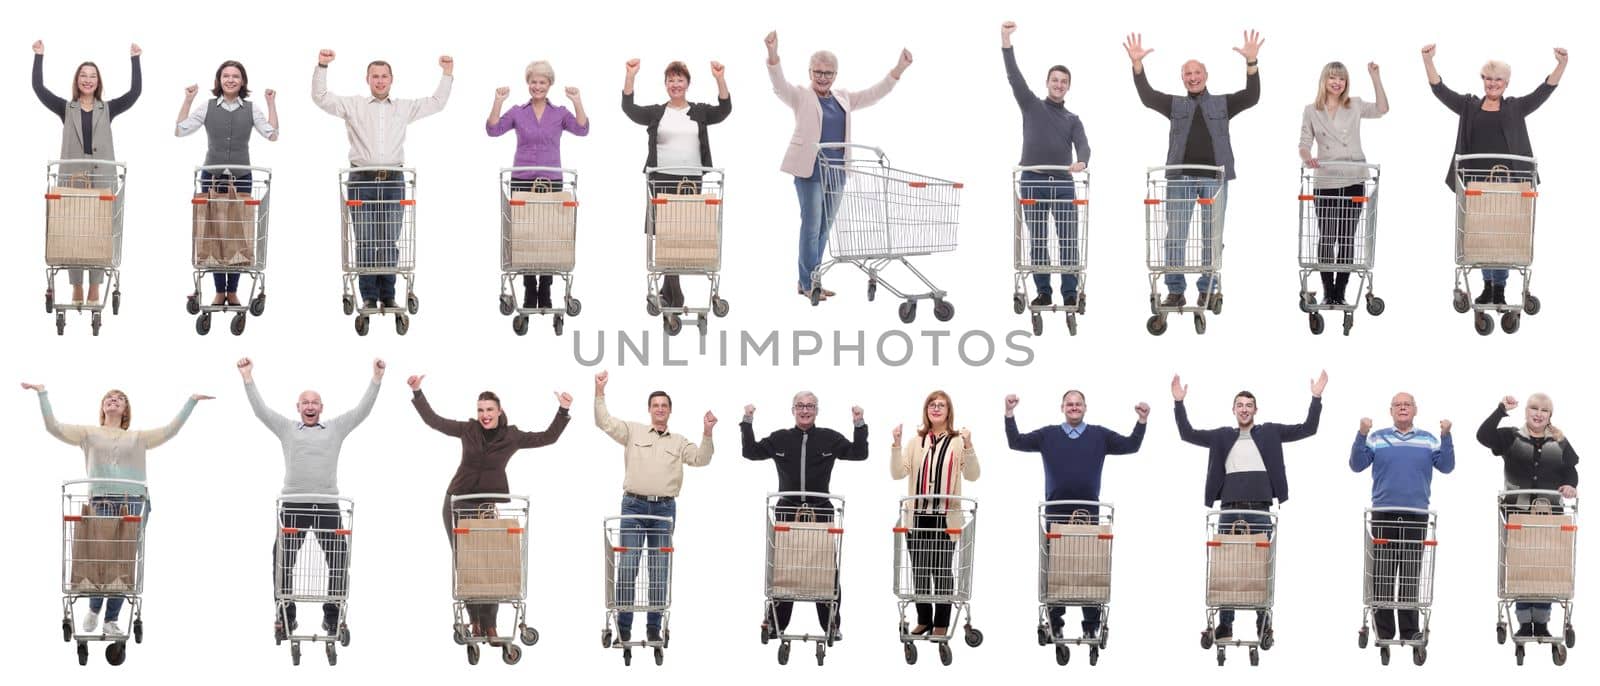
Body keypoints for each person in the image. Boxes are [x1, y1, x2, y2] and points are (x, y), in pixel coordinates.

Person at [22, 382, 210, 637]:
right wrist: (42, 393)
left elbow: (170, 430)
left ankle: (111, 619)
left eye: (120, 398)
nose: (114, 399)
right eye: (109, 397)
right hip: (101, 500)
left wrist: (192, 400)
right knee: (102, 557)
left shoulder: (139, 437)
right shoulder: (87, 433)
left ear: (125, 410)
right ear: (103, 407)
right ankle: (95, 607)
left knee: (121, 560)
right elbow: (53, 427)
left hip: (132, 499)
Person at [407, 374, 571, 640]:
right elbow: (434, 421)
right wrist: (417, 392)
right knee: (469, 564)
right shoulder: (468, 430)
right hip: (457, 503)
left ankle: (491, 624)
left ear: (499, 411)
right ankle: (475, 622)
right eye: (481, 410)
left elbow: (548, 437)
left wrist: (563, 410)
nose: (485, 415)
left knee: (492, 563)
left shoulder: (511, 435)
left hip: (485, 507)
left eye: (489, 410)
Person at [1173, 370, 1325, 641]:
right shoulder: (1221, 436)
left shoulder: (1270, 432)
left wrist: (1316, 397)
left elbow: (1308, 428)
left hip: (1260, 510)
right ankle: (1226, 625)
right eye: (1240, 405)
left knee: (1260, 567)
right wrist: (1178, 403)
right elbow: (1187, 433)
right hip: (1229, 509)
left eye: (1249, 405)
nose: (1244, 409)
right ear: (1233, 410)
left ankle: (1262, 622)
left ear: (1256, 409)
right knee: (1227, 567)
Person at [238, 356, 384, 638]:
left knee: (339, 556)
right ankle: (285, 615)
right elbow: (261, 411)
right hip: (294, 503)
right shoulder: (287, 428)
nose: (309, 406)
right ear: (298, 408)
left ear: (321, 408)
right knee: (282, 559)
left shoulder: (336, 428)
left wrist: (376, 378)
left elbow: (362, 411)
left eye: (314, 402)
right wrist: (248, 377)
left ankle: (332, 616)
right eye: (305, 402)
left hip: (327, 504)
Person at [765, 30, 912, 299]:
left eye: (828, 73)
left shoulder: (843, 98)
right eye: (818, 72)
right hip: (809, 171)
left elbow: (874, 93)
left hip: (837, 173)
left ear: (836, 75)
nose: (822, 77)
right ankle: (808, 283)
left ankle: (812, 279)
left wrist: (898, 69)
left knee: (824, 229)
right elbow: (779, 85)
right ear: (810, 72)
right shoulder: (801, 96)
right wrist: (773, 54)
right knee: (811, 227)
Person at [1124, 31, 1263, 308]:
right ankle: (1175, 290)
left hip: (1216, 179)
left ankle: (1207, 287)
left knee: (1212, 238)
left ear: (1206, 75)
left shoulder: (1222, 103)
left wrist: (1251, 63)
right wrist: (1138, 67)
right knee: (1175, 235)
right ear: (1182, 78)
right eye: (1187, 73)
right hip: (1180, 178)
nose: (1192, 77)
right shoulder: (1175, 104)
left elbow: (1251, 96)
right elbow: (1148, 97)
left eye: (1197, 72)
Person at [1422, 45, 1568, 306]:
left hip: (1508, 184)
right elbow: (1439, 90)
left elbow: (1543, 91)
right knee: (1482, 235)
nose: (1492, 84)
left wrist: (1561, 64)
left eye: (1498, 79)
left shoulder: (1515, 107)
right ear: (1483, 80)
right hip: (1476, 184)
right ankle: (1488, 287)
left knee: (1503, 235)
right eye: (1488, 79)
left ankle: (1498, 289)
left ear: (1506, 83)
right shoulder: (1468, 106)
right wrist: (1428, 60)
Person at [312, 49, 453, 311]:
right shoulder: (353, 105)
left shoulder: (403, 107)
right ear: (368, 80)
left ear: (391, 79)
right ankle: (367, 296)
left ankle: (388, 294)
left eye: (384, 76)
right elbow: (320, 97)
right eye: (375, 76)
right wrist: (322, 66)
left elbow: (437, 102)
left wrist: (447, 73)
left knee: (390, 239)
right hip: (361, 180)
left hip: (393, 180)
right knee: (364, 239)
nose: (379, 81)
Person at [1004, 390, 1147, 639]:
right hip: (1056, 512)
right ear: (1062, 407)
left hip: (1087, 512)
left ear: (1085, 407)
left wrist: (1142, 421)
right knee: (1056, 567)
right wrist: (1009, 413)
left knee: (1088, 566)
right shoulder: (1048, 435)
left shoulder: (1099, 435)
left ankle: (1091, 624)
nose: (1073, 407)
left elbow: (1131, 445)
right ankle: (1055, 621)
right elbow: (1016, 441)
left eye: (1078, 404)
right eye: (1069, 404)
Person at [593, 371, 715, 645]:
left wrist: (707, 433)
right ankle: (623, 626)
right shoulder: (633, 431)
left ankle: (653, 627)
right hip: (634, 507)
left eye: (664, 405)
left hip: (663, 512)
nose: (660, 409)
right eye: (655, 405)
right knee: (628, 567)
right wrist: (600, 391)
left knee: (659, 569)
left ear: (670, 411)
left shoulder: (679, 441)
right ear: (649, 410)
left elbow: (701, 459)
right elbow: (604, 422)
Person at [742, 392, 868, 641]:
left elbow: (859, 453)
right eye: (800, 406)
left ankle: (831, 624)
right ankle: (776, 624)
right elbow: (751, 452)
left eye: (810, 406)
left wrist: (859, 423)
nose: (805, 410)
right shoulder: (780, 438)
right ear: (793, 410)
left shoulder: (829, 438)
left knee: (824, 569)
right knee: (784, 569)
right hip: (787, 510)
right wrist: (747, 421)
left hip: (820, 510)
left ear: (817, 410)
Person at [31, 40, 142, 306]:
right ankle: (77, 286)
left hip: (102, 176)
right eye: (84, 75)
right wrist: (39, 57)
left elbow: (135, 92)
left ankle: (95, 287)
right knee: (73, 228)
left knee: (99, 230)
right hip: (72, 177)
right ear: (77, 80)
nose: (88, 80)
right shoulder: (65, 108)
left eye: (93, 76)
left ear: (98, 81)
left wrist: (135, 59)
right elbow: (38, 88)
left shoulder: (109, 108)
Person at [621, 58, 729, 317]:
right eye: (671, 80)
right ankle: (674, 291)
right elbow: (629, 108)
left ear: (687, 84)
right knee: (666, 235)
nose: (675, 84)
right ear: (666, 85)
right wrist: (630, 76)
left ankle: (671, 292)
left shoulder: (699, 111)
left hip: (692, 179)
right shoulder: (657, 112)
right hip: (661, 178)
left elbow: (724, 110)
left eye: (680, 79)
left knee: (685, 234)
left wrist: (720, 79)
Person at [1350, 393, 1454, 642]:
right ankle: (1384, 632)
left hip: (1416, 514)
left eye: (1407, 404)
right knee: (1383, 572)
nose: (1403, 408)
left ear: (1415, 410)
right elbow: (1356, 464)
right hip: (1383, 512)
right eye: (1398, 405)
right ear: (1391, 411)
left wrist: (1446, 435)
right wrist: (1362, 433)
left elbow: (1447, 466)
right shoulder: (1377, 437)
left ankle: (1409, 630)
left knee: (1410, 572)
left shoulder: (1428, 439)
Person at [175, 60, 280, 306]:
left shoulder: (251, 109)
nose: (230, 80)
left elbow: (272, 134)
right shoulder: (208, 106)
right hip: (211, 177)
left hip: (242, 178)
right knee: (213, 234)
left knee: (237, 234)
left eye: (235, 76)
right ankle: (218, 290)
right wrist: (188, 100)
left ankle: (231, 291)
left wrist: (271, 104)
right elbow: (180, 130)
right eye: (226, 76)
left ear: (242, 81)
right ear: (219, 81)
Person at [1001, 21, 1090, 308]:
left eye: (1064, 81)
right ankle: (1044, 292)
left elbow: (1084, 145)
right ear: (1047, 82)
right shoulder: (1031, 105)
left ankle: (1068, 293)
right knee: (1038, 239)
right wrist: (1006, 40)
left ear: (1069, 86)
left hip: (1064, 184)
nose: (1059, 85)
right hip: (1032, 181)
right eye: (1055, 80)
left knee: (1068, 241)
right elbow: (1014, 76)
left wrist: (1082, 161)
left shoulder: (1073, 119)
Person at [487, 60, 589, 310]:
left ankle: (546, 289)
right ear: (528, 83)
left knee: (550, 237)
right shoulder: (517, 112)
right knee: (525, 236)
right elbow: (492, 130)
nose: (537, 86)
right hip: (522, 180)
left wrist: (577, 101)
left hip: (552, 182)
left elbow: (583, 129)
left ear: (549, 84)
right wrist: (498, 101)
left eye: (542, 82)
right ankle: (529, 289)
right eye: (533, 81)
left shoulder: (561, 113)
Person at [1476, 394, 1579, 638]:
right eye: (1534, 407)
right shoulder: (1511, 437)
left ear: (1549, 415)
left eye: (1544, 410)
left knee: (1544, 567)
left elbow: (1570, 470)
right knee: (1522, 566)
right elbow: (1483, 435)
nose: (1539, 413)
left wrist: (1569, 485)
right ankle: (1524, 622)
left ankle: (1541, 622)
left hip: (1550, 515)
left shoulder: (1559, 441)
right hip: (1517, 515)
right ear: (1526, 411)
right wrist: (1501, 410)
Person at [889, 391, 979, 638]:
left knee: (940, 570)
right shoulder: (915, 441)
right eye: (932, 404)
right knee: (919, 570)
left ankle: (941, 622)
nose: (936, 408)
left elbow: (972, 475)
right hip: (916, 516)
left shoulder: (958, 441)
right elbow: (898, 473)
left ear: (949, 411)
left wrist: (970, 446)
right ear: (926, 409)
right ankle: (923, 620)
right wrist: (896, 444)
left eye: (942, 405)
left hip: (945, 517)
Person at [1299, 61, 1388, 305]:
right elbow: (1304, 142)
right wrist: (1308, 157)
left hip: (1353, 177)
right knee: (1327, 236)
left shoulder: (1355, 105)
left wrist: (1375, 77)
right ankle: (1328, 291)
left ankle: (1341, 293)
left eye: (1342, 79)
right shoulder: (1311, 110)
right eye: (1332, 78)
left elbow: (1382, 108)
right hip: (1325, 179)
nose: (1337, 83)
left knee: (1347, 236)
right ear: (1324, 81)